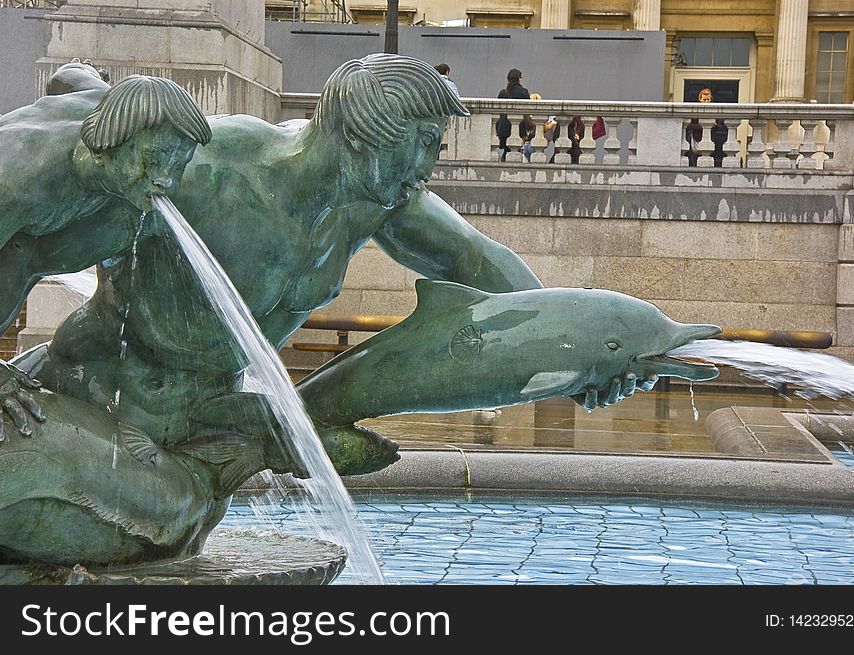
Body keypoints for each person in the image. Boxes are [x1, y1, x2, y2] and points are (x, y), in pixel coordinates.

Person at [0, 55, 661, 563]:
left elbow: (484, 269)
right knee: (166, 518)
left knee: (182, 517)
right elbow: (26, 238)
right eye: (427, 142)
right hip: (93, 400)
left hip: (199, 427)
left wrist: (577, 352)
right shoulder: (204, 171)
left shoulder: (378, 201)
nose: (433, 163)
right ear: (373, 134)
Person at [0, 62, 211, 438]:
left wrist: (84, 68)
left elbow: (66, 76)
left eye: (179, 164)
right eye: (156, 160)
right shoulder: (21, 182)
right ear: (115, 144)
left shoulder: (105, 103)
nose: (168, 180)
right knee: (17, 258)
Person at [685, 87, 728, 167]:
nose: (706, 102)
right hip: (696, 139)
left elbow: (720, 124)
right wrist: (701, 127)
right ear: (700, 99)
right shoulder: (695, 111)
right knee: (694, 158)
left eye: (708, 100)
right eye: (704, 100)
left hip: (712, 139)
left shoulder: (714, 111)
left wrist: (715, 125)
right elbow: (689, 125)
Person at [496, 68, 530, 160]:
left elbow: (498, 112)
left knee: (507, 151)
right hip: (519, 127)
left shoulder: (503, 93)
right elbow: (526, 112)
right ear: (519, 78)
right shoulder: (524, 92)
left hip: (503, 127)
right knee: (515, 150)